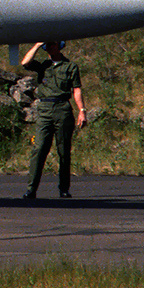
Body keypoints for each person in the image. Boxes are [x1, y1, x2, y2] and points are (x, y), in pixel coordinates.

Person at [21, 40, 86, 199]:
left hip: (62, 108)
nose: (50, 48)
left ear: (59, 46)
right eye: (47, 46)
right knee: (39, 148)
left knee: (63, 150)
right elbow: (25, 62)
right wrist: (36, 45)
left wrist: (82, 111)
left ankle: (64, 188)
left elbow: (76, 89)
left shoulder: (70, 66)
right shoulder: (43, 66)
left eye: (52, 45)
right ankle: (31, 189)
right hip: (44, 108)